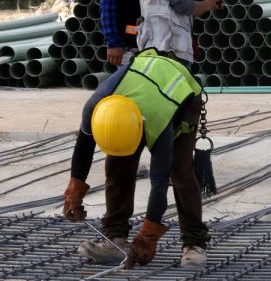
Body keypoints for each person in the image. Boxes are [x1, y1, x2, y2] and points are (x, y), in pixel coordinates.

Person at [63, 48, 216, 268]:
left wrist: (148, 237)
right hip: (143, 85)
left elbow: (159, 183)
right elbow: (83, 147)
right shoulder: (96, 106)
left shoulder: (159, 124)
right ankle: (114, 239)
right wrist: (74, 191)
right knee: (118, 167)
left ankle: (194, 243)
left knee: (180, 171)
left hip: (182, 99)